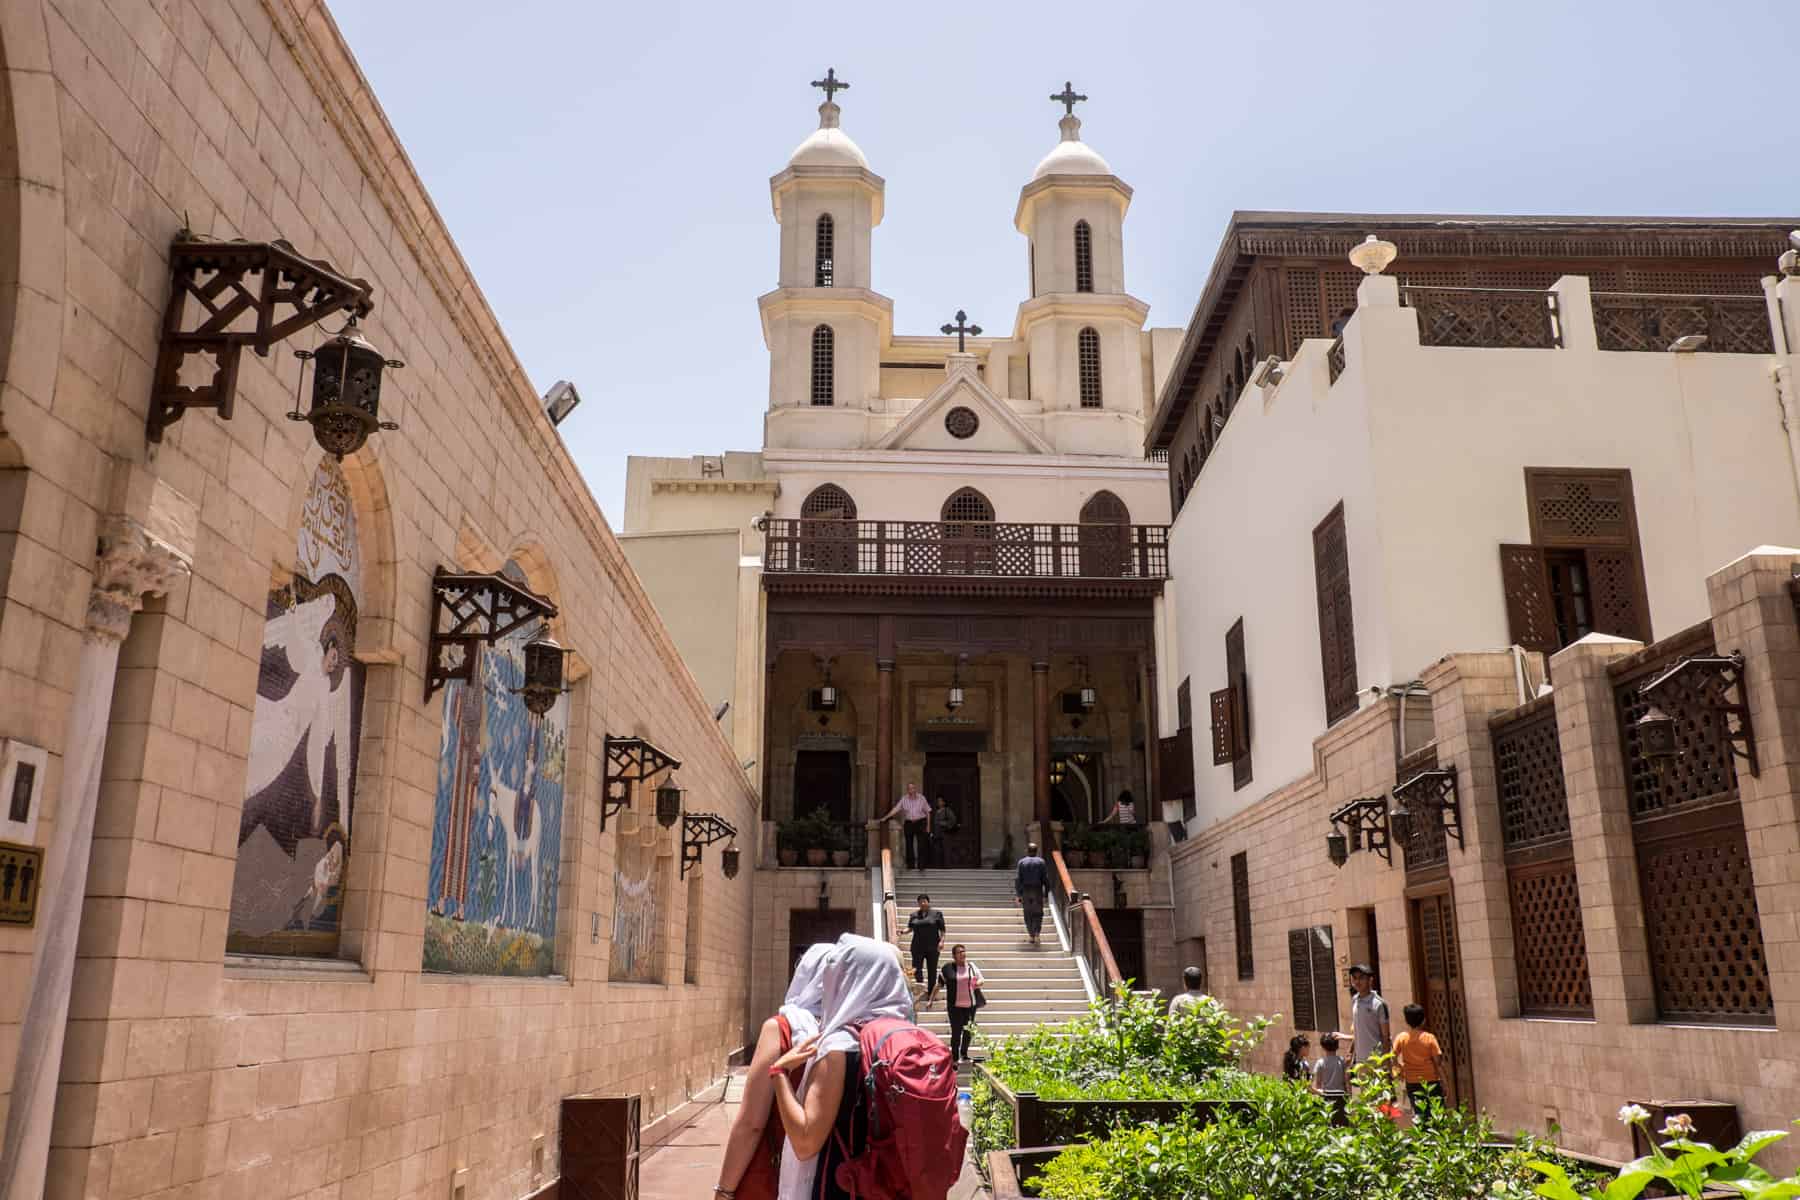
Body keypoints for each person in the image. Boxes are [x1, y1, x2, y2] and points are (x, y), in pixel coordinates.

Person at [770, 935, 915, 1199]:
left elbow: (805, 1142)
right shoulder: (907, 1037)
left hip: (847, 1187)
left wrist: (779, 1073)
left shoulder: (841, 1046)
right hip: (895, 1184)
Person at [714, 943, 831, 1200]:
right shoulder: (851, 1032)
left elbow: (751, 1124)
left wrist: (724, 1190)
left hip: (778, 1174)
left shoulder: (781, 1030)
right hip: (833, 1178)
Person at [1391, 1003, 1446, 1126]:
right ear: (1423, 1020)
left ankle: (1423, 1141)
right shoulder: (1429, 1038)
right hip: (1431, 1081)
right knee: (1437, 1114)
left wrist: (1400, 1070)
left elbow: (1392, 1057)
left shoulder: (1402, 1038)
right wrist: (1445, 1081)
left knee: (1419, 1114)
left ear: (1406, 1021)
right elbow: (1438, 1062)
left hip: (1412, 1082)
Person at [937, 943, 985, 1064]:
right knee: (956, 1032)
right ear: (954, 956)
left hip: (970, 1005)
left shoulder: (972, 966)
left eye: (964, 951)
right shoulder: (948, 968)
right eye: (960, 952)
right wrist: (931, 999)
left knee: (968, 1031)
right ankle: (954, 1056)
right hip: (955, 1006)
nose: (963, 954)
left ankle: (964, 1054)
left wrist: (977, 983)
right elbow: (939, 984)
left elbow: (981, 979)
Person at [1346, 963, 1391, 1072]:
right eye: (1354, 978)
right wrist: (1350, 1052)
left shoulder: (1379, 1004)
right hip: (1361, 1061)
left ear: (1370, 980)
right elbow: (1357, 1030)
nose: (1357, 982)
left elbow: (1386, 1037)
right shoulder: (1355, 1000)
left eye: (1361, 978)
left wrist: (1385, 1063)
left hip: (1376, 1061)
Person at [880, 783, 932, 872]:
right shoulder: (904, 799)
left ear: (915, 789)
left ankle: (921, 866)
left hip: (920, 822)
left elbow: (928, 812)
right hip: (909, 823)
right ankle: (910, 865)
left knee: (921, 844)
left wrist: (928, 826)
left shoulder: (921, 798)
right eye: (909, 789)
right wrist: (886, 817)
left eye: (913, 788)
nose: (911, 790)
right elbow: (896, 809)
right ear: (907, 790)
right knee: (909, 844)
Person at [906, 894, 945, 1007]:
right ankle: (920, 991)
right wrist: (903, 931)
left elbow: (942, 930)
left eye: (924, 901)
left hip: (933, 947)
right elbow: (910, 928)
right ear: (918, 903)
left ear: (928, 902)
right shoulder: (914, 915)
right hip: (917, 947)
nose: (923, 903)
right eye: (920, 902)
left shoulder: (937, 914)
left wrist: (942, 941)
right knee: (917, 969)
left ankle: (931, 993)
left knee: (932, 970)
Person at [1013, 841, 1050, 945]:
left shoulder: (1021, 862)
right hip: (1037, 890)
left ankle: (1031, 936)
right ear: (1036, 851)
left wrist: (1019, 894)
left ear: (1027, 851)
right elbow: (1045, 879)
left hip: (1026, 890)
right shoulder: (1041, 862)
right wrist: (1046, 893)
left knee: (1027, 914)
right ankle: (1037, 934)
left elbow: (1018, 879)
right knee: (1038, 913)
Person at [1310, 1032, 1349, 1126]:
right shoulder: (1342, 1061)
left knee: (1328, 1123)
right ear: (1337, 1046)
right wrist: (1348, 1094)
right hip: (1341, 1095)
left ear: (1323, 1047)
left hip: (1326, 1095)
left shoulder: (1320, 1062)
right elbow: (1346, 1080)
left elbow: (1318, 1082)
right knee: (1342, 1123)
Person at [929, 795, 957, 867]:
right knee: (937, 851)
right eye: (938, 801)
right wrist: (931, 832)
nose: (938, 802)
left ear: (944, 802)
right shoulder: (935, 811)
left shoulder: (947, 810)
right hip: (936, 835)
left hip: (945, 834)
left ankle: (947, 867)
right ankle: (938, 866)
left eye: (940, 801)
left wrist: (943, 823)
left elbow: (953, 821)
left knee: (946, 850)